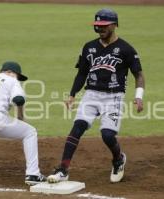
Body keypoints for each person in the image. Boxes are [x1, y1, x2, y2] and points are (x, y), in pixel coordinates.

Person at [47, 8, 145, 183]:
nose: (100, 29)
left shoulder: (126, 49)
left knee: (107, 135)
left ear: (114, 25)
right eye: (97, 26)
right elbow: (82, 73)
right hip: (91, 94)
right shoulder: (89, 47)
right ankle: (63, 169)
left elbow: (138, 74)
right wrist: (72, 94)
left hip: (114, 97)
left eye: (104, 26)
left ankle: (118, 159)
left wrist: (139, 96)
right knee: (77, 128)